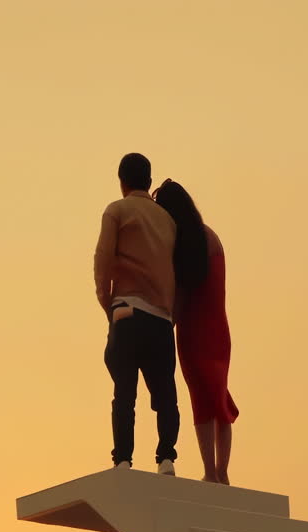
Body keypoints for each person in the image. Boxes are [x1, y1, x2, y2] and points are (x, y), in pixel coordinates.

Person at [94, 153, 180, 475]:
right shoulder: (168, 221)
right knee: (164, 393)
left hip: (127, 310)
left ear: (122, 181)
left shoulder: (117, 211)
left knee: (124, 393)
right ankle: (167, 457)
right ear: (148, 180)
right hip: (161, 318)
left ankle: (123, 460)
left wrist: (108, 305)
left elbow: (103, 262)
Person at [154, 179, 239, 485]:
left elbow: (181, 296)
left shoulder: (184, 244)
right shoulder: (211, 237)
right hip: (219, 329)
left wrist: (166, 326)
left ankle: (210, 471)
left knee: (201, 401)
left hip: (193, 332)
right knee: (219, 397)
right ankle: (222, 470)